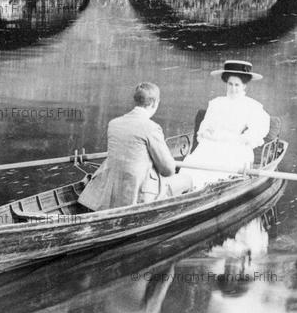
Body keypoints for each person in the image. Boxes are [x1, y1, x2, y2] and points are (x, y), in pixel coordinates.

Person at [78, 82, 192, 211]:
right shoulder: (151, 128)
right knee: (187, 180)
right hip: (137, 195)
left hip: (112, 192)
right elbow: (168, 170)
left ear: (135, 101)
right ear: (155, 103)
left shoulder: (114, 124)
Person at [180, 60, 270, 189]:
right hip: (211, 144)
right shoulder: (216, 103)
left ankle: (205, 190)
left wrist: (241, 139)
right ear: (226, 84)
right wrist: (207, 133)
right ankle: (185, 189)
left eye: (237, 85)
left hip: (235, 148)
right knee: (194, 165)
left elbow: (259, 130)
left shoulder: (251, 106)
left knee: (218, 171)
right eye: (230, 84)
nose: (233, 89)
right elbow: (205, 127)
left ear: (244, 86)